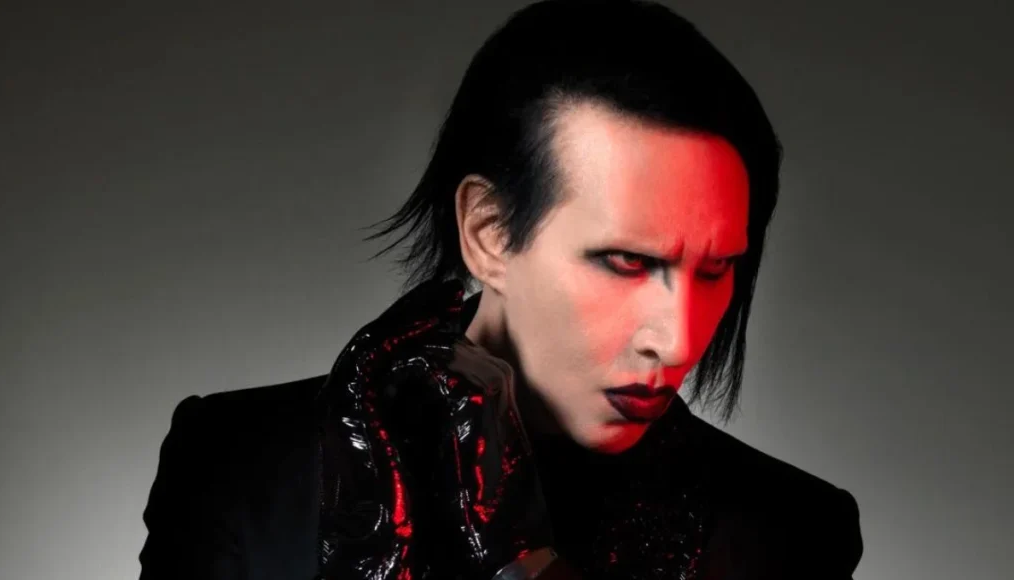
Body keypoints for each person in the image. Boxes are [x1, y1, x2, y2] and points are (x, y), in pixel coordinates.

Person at [139, 0, 864, 578]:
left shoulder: (789, 533)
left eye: (714, 270)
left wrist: (522, 562)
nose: (677, 340)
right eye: (625, 261)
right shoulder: (240, 466)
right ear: (488, 233)